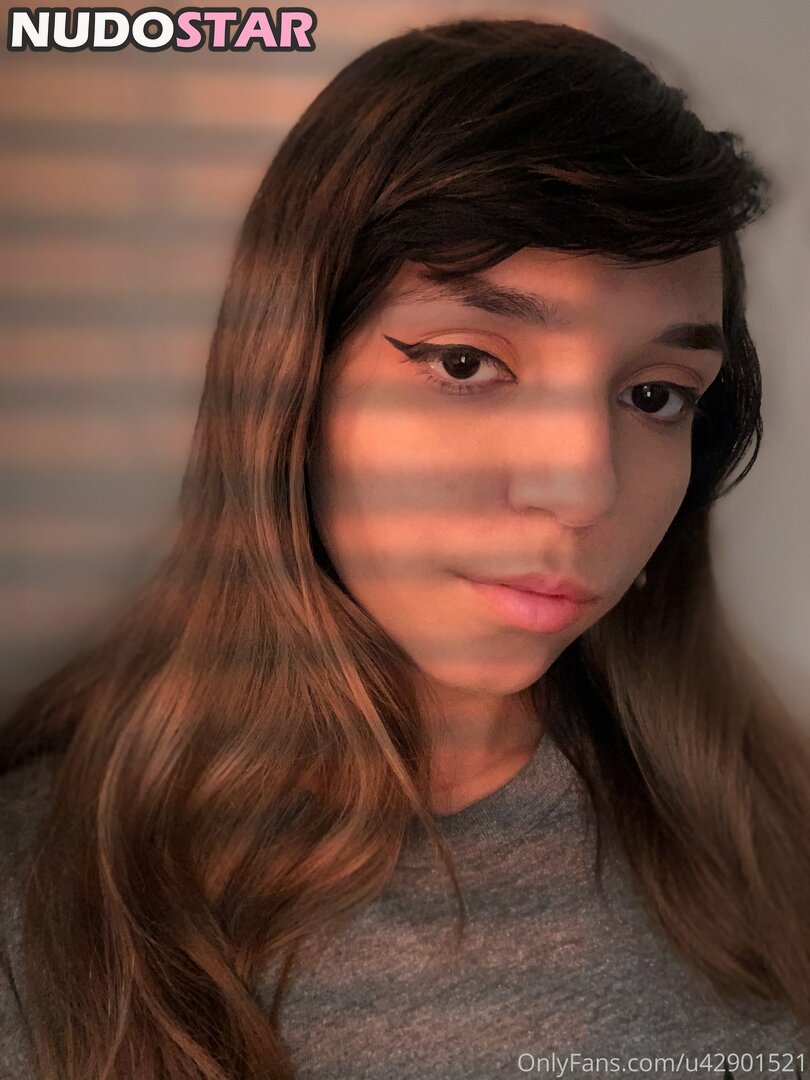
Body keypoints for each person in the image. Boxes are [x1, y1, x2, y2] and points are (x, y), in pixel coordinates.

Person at [0, 16, 808, 1080]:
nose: (583, 490)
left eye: (656, 395)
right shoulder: (49, 899)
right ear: (292, 383)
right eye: (467, 363)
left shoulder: (774, 838)